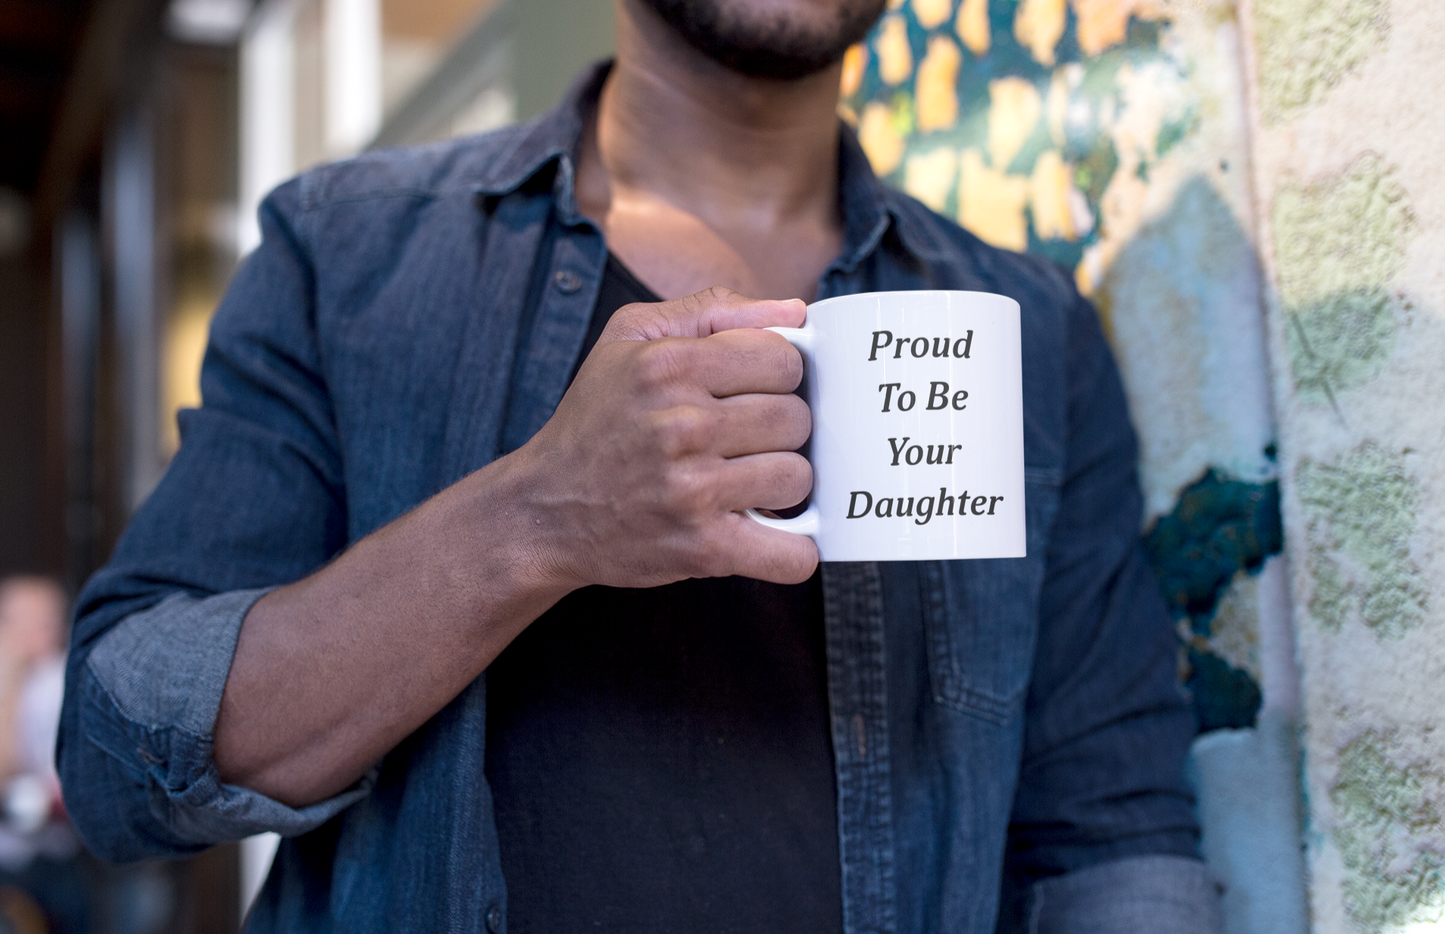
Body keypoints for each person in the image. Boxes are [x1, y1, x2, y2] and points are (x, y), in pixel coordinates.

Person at [58, 0, 1222, 931]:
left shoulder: (1027, 328)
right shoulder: (345, 251)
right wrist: (535, 519)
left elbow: (1112, 837)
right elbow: (120, 753)